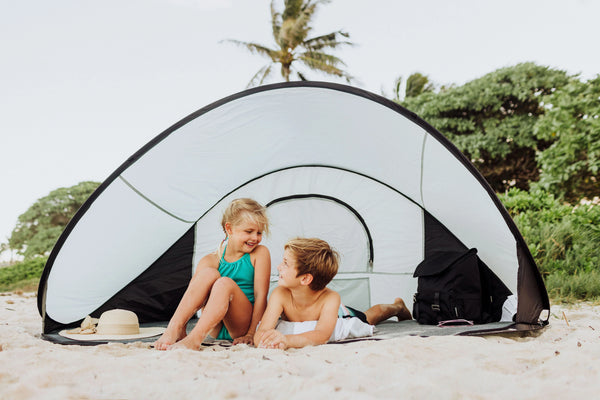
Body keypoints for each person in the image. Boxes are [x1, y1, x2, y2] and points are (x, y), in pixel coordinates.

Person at [154, 198, 271, 350]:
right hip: (214, 325)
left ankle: (194, 340)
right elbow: (193, 298)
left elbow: (261, 296)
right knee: (208, 273)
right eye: (249, 231)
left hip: (241, 325)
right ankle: (175, 328)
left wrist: (251, 333)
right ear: (229, 229)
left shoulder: (259, 254)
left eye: (259, 232)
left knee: (224, 283)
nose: (255, 238)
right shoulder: (211, 259)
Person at [254, 238, 411, 350]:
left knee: (369, 317)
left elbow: (322, 335)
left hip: (341, 313)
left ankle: (397, 307)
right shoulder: (280, 294)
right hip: (323, 310)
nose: (279, 267)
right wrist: (263, 339)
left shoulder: (330, 298)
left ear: (305, 279)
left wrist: (286, 340)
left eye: (286, 263)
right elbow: (262, 330)